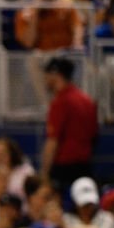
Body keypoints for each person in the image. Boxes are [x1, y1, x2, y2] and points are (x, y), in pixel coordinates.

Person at [41, 57, 98, 186]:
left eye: (48, 75)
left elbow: (52, 142)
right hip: (85, 167)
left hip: (64, 170)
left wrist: (44, 174)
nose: (45, 79)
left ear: (56, 75)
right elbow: (94, 135)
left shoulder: (60, 102)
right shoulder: (86, 100)